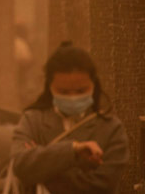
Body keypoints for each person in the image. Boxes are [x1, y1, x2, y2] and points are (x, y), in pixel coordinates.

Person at [9, 45, 129, 193]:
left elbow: (102, 186)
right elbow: (20, 164)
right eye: (63, 91)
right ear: (50, 87)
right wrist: (73, 150)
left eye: (81, 91)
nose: (73, 97)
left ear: (94, 85)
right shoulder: (33, 120)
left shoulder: (111, 129)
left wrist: (41, 168)